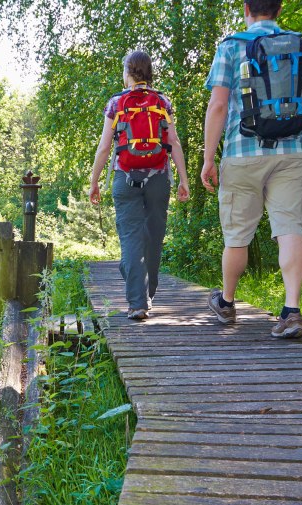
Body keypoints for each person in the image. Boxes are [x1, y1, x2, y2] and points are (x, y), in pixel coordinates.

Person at [201, 0, 302, 338]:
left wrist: (209, 158)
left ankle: (226, 303)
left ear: (246, 8)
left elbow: (219, 105)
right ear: (279, 9)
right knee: (290, 229)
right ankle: (292, 310)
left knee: (237, 235)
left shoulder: (231, 46)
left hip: (243, 153)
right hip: (292, 152)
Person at [89, 50, 191, 321]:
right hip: (158, 179)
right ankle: (147, 292)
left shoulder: (116, 103)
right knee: (154, 238)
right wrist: (183, 179)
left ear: (128, 72)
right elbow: (174, 142)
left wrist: (94, 182)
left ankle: (138, 303)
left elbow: (104, 147)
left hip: (125, 178)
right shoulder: (162, 101)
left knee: (132, 240)